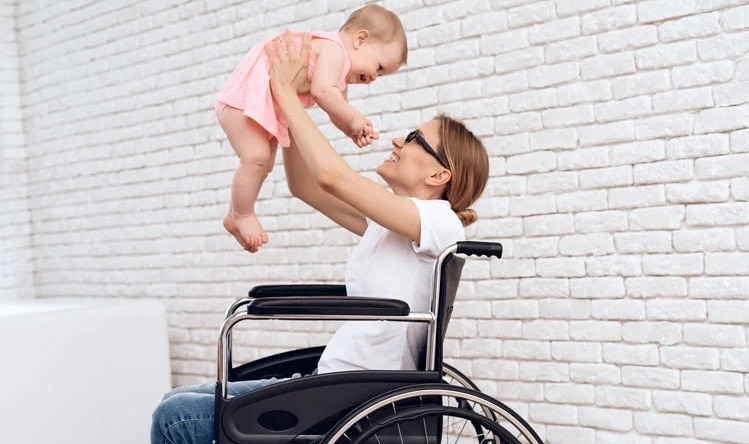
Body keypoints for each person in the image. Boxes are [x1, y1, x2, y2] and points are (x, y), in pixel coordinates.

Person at [151, 31, 489, 444]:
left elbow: (333, 176)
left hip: (357, 399)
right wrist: (291, 104)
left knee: (176, 418)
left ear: (439, 175)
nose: (399, 140)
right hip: (334, 384)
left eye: (415, 138)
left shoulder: (439, 223)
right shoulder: (394, 225)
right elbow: (307, 186)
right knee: (179, 400)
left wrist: (285, 93)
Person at [217, 4, 408, 253]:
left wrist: (350, 128)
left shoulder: (341, 70)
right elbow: (322, 92)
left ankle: (236, 214)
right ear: (360, 39)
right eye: (379, 67)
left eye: (381, 76)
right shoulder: (334, 51)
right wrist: (355, 118)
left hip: (268, 105)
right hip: (242, 101)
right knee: (256, 158)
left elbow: (334, 106)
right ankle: (241, 214)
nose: (374, 78)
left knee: (263, 164)